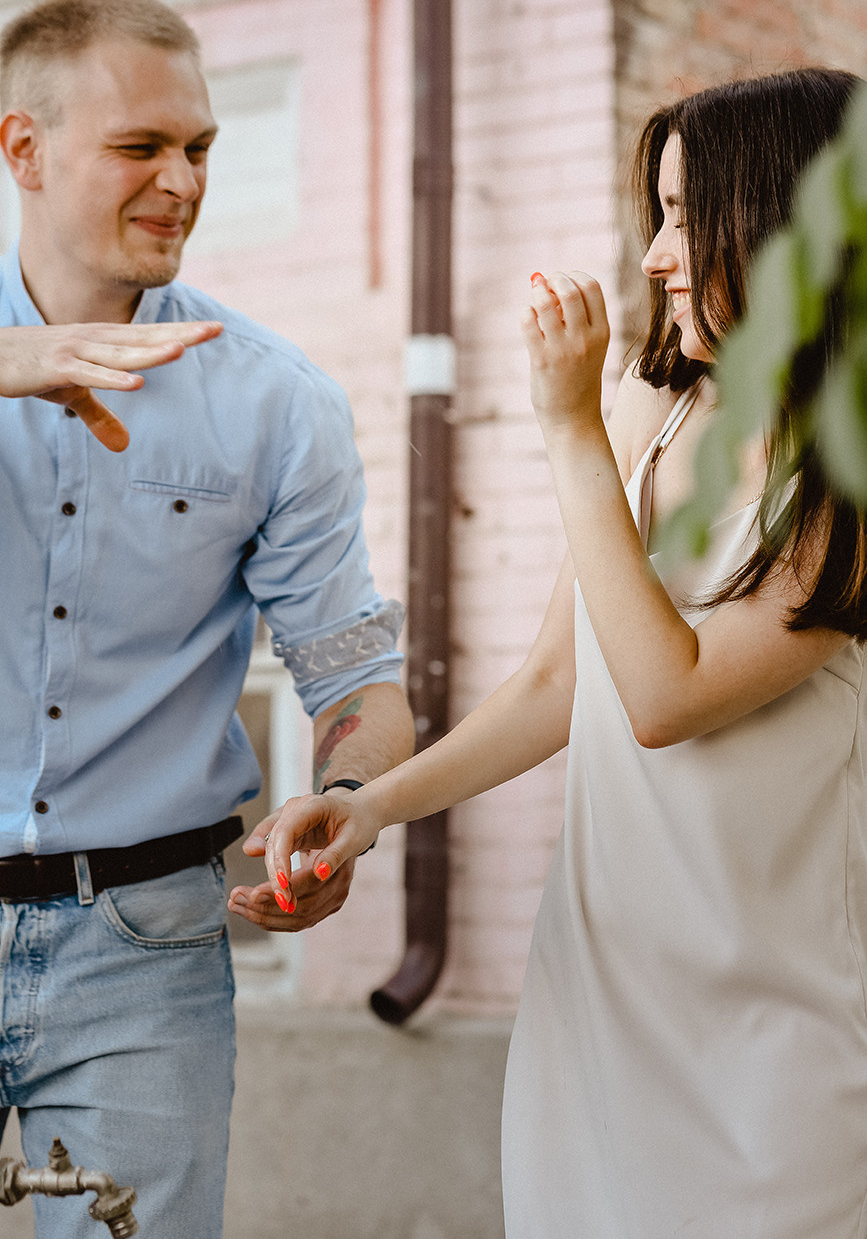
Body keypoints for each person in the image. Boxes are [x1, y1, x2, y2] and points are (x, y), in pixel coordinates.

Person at [252, 68, 867, 1237]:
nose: (656, 257)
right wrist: (373, 807)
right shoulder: (655, 404)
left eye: (688, 217)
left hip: (773, 1036)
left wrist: (569, 432)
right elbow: (556, 679)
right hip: (601, 999)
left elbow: (663, 697)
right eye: (659, 216)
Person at [0, 0, 414, 1239]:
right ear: (24, 147)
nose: (180, 181)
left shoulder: (276, 404)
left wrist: (347, 799)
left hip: (144, 951)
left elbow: (354, 678)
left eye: (199, 149)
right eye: (140, 146)